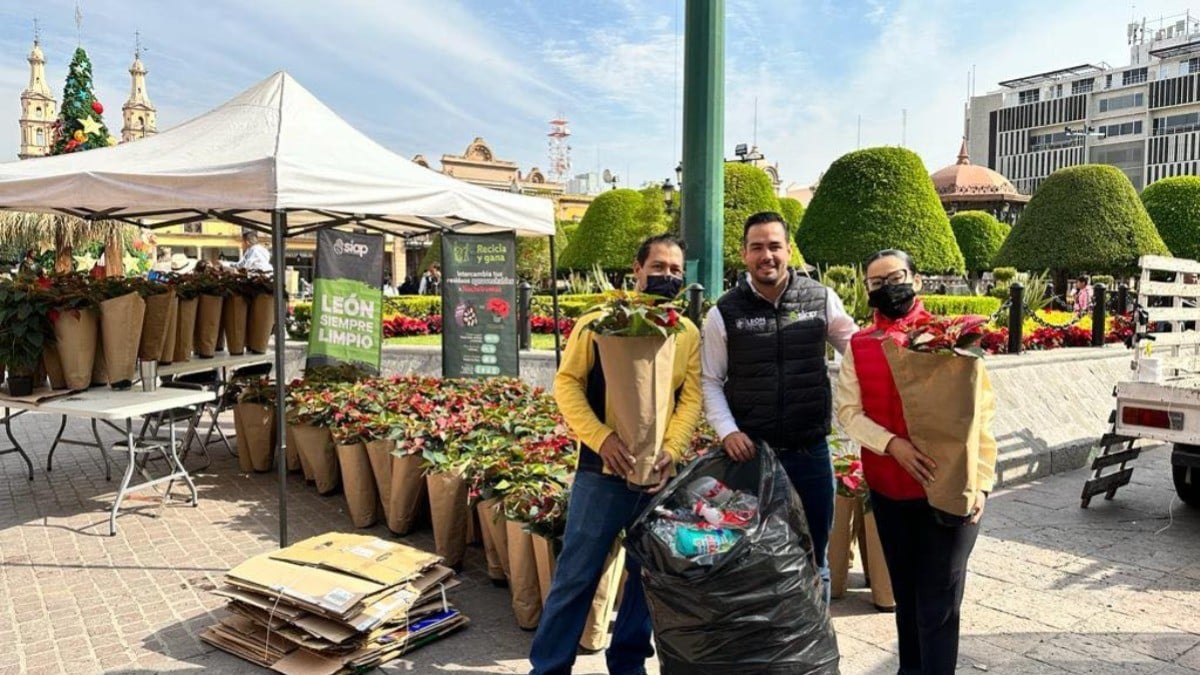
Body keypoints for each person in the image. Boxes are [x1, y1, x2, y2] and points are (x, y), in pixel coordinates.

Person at [528, 233, 703, 675]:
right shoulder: (599, 322)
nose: (667, 276)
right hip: (600, 474)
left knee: (648, 578)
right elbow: (567, 383)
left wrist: (672, 449)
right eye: (658, 267)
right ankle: (548, 667)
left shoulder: (686, 332)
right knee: (576, 577)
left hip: (659, 477)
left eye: (675, 270)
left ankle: (628, 664)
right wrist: (601, 438)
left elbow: (690, 398)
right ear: (637, 270)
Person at [836, 248, 997, 674]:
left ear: (916, 280)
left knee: (938, 603)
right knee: (905, 597)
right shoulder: (860, 345)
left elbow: (980, 416)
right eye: (876, 282)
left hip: (950, 489)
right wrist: (892, 444)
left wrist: (981, 483)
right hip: (890, 490)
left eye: (896, 278)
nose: (887, 288)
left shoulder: (951, 340)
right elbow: (849, 412)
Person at [700, 211, 857, 605]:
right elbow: (710, 380)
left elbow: (858, 351)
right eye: (757, 247)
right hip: (752, 458)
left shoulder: (821, 299)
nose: (766, 255)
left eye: (774, 246)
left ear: (788, 250)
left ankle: (814, 639)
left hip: (810, 453)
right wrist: (728, 431)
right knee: (749, 558)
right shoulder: (724, 312)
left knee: (814, 556)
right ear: (744, 254)